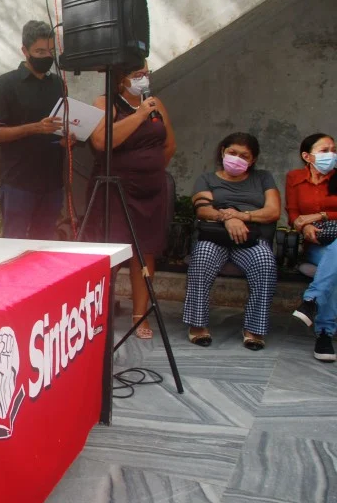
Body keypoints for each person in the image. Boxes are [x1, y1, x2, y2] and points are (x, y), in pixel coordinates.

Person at [87, 62, 176, 339]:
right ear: (121, 77)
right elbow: (100, 141)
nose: (144, 78)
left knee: (145, 250)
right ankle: (100, 312)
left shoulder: (155, 103)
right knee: (112, 250)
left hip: (151, 190)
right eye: (138, 74)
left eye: (146, 73)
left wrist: (149, 169)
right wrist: (139, 115)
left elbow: (169, 145)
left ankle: (140, 315)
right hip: (116, 190)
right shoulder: (106, 103)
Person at [183, 133, 280, 350]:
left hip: (250, 238)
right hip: (215, 236)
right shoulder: (207, 179)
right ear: (222, 152)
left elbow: (273, 211)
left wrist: (241, 216)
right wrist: (227, 219)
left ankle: (254, 328)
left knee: (265, 262)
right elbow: (203, 209)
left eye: (244, 156)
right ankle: (197, 324)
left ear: (253, 160)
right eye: (232, 153)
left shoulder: (263, 178)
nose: (237, 159)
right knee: (202, 257)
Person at [0, 20, 68, 240]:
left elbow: (61, 124)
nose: (47, 56)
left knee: (45, 244)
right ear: (25, 50)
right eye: (40, 51)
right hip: (18, 183)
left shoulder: (58, 84)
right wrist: (35, 128)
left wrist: (69, 138)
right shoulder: (6, 84)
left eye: (51, 51)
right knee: (14, 245)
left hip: (53, 183)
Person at [286, 133, 337, 362]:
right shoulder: (294, 178)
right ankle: (324, 332)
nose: (331, 155)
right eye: (324, 150)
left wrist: (321, 215)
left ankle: (313, 304)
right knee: (333, 266)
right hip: (316, 243)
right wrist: (304, 226)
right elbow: (293, 212)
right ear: (307, 156)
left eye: (333, 150)